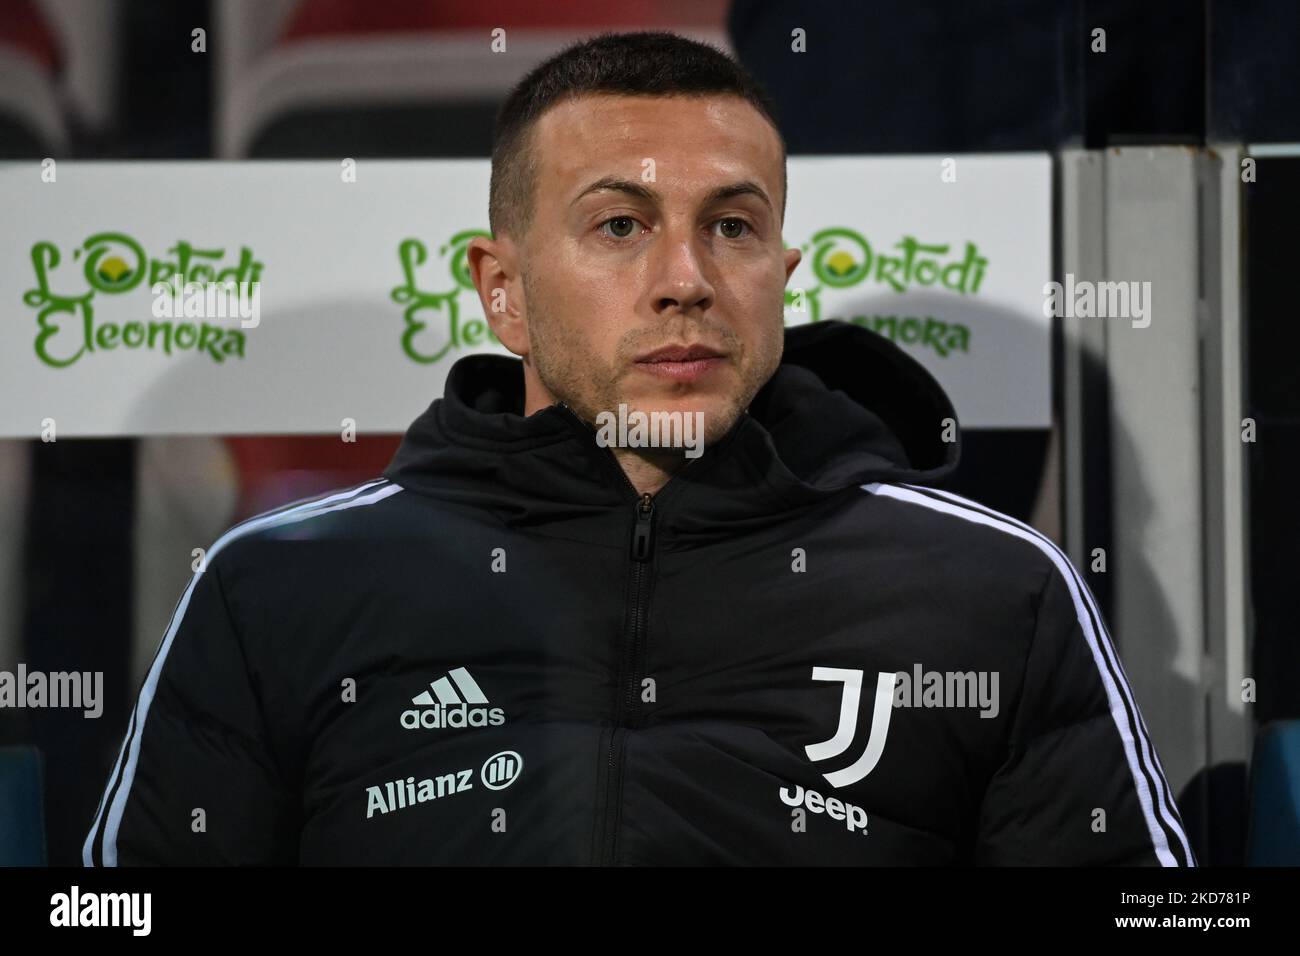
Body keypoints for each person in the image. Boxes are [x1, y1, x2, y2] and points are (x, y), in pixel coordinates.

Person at [84, 31, 1193, 866]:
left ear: (780, 272)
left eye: (733, 226)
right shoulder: (276, 587)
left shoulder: (992, 590)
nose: (687, 278)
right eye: (620, 225)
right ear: (502, 291)